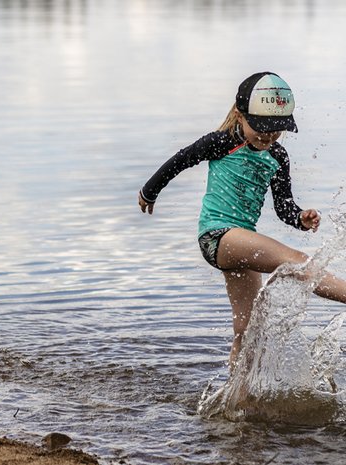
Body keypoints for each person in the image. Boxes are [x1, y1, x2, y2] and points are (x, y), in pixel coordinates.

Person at [138, 71, 346, 371]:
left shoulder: (277, 156)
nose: (268, 137)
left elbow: (284, 207)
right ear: (239, 114)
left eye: (276, 130)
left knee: (247, 330)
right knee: (296, 262)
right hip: (217, 236)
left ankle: (238, 402)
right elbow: (181, 160)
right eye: (260, 128)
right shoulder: (221, 142)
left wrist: (300, 218)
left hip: (242, 246)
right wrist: (149, 191)